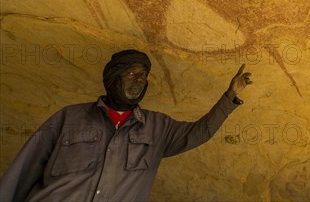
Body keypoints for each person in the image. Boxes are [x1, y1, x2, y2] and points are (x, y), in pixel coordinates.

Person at [0, 49, 252, 202]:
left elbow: (200, 132)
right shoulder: (68, 117)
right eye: (131, 74)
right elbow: (24, 170)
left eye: (143, 76)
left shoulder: (158, 127)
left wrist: (229, 97)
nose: (139, 81)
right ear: (113, 77)